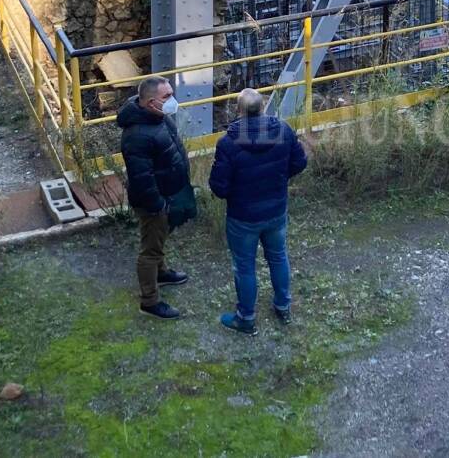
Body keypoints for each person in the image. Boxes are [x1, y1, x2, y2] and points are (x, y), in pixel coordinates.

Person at [208, 88, 307, 336]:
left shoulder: (228, 143)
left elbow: (219, 187)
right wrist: (280, 180)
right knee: (278, 256)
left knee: (244, 267)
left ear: (238, 111)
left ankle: (246, 318)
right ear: (263, 107)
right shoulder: (283, 130)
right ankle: (283, 306)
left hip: (243, 216)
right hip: (275, 210)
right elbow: (299, 162)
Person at [118, 76, 197, 320]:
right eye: (166, 96)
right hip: (155, 202)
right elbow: (142, 178)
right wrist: (158, 206)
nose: (172, 100)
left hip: (168, 194)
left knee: (159, 239)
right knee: (150, 249)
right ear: (152, 103)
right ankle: (150, 301)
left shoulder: (157, 117)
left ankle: (161, 273)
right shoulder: (137, 135)